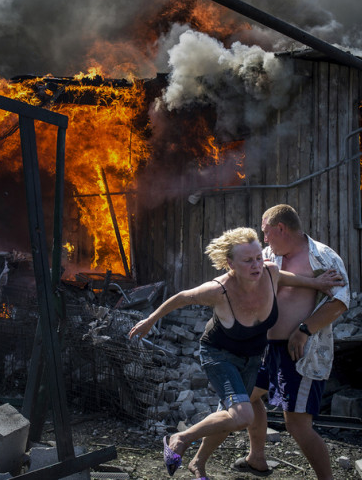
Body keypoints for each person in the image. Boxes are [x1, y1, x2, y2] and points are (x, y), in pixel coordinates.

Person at [128, 227, 343, 479]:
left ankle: (220, 461)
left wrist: (316, 282)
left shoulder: (270, 273)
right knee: (241, 415)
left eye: (258, 258)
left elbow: (286, 277)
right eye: (248, 260)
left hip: (252, 357)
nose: (257, 265)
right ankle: (180, 438)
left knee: (233, 412)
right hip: (219, 355)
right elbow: (181, 298)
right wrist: (149, 321)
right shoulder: (218, 290)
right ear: (230, 263)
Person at [227, 204, 350, 480]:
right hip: (263, 349)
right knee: (247, 396)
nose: (265, 239)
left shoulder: (323, 257)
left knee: (296, 425)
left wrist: (304, 329)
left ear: (280, 228)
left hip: (300, 352)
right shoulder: (268, 255)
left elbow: (341, 300)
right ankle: (257, 458)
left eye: (267, 232)